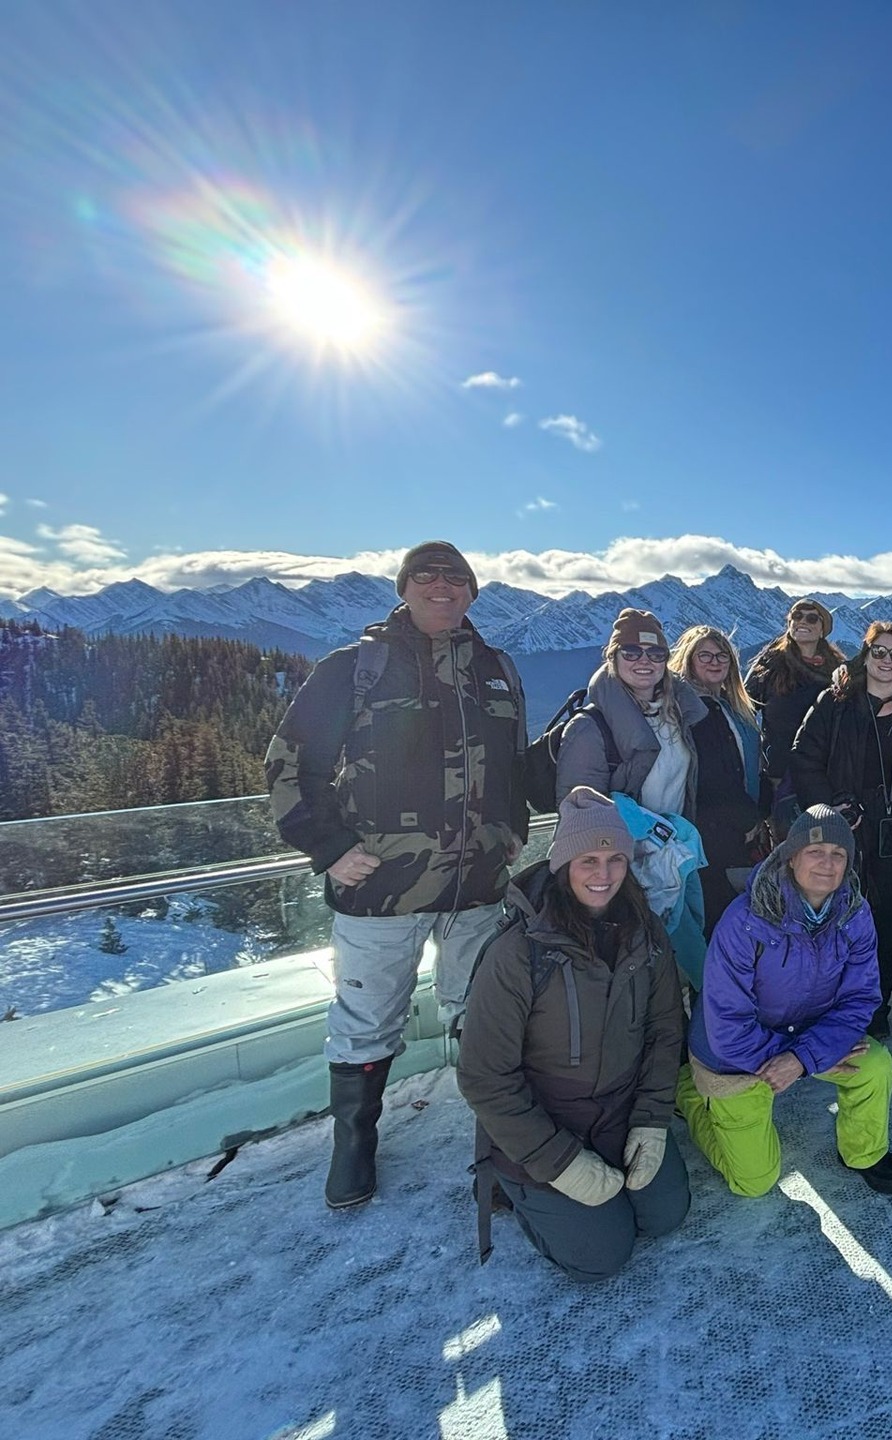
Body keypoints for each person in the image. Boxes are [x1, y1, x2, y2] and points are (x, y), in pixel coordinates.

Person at [265, 540, 528, 1209]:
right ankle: (354, 1144)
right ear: (406, 587)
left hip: (476, 885)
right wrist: (328, 848)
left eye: (456, 578)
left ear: (472, 591)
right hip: (382, 886)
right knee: (366, 1018)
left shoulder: (496, 670)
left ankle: (496, 1134)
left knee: (484, 1012)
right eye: (427, 576)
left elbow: (515, 765)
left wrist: (514, 833)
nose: (442, 587)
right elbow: (291, 763)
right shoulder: (356, 668)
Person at [457, 788, 689, 1279]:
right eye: (588, 859)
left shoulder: (645, 934)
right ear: (563, 864)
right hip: (546, 1124)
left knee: (666, 1216)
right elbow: (485, 1077)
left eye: (614, 859)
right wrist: (559, 1162)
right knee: (602, 1256)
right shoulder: (519, 953)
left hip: (621, 1113)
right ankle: (515, 1186)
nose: (603, 875)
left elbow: (666, 1029)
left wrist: (650, 1120)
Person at [680, 805, 892, 1197]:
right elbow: (728, 1025)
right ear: (790, 857)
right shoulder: (744, 921)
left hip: (806, 1039)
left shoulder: (854, 913)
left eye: (839, 854)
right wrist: (795, 1058)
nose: (827, 863)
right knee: (754, 1182)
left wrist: (802, 1059)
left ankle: (864, 1152)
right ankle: (689, 1093)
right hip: (734, 1054)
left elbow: (860, 998)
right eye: (815, 852)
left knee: (875, 1067)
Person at [790, 621, 892, 1038]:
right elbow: (803, 757)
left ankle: (874, 1010)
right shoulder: (836, 703)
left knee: (888, 926)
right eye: (878, 652)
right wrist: (833, 807)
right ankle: (825, 1006)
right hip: (848, 835)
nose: (887, 661)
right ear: (865, 657)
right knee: (835, 920)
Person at [557, 609, 710, 819]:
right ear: (613, 658)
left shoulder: (679, 716)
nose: (644, 661)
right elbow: (581, 815)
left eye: (656, 654)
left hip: (676, 847)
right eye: (631, 652)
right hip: (623, 850)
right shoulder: (588, 727)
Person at [669, 625, 765, 938]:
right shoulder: (690, 709)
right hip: (711, 832)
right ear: (689, 661)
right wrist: (748, 818)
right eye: (705, 655)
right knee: (720, 918)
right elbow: (712, 775)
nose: (715, 662)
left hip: (732, 829)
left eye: (722, 655)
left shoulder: (728, 705)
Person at [744, 598, 845, 828]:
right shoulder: (770, 664)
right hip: (778, 776)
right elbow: (744, 708)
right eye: (796, 616)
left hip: (822, 774)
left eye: (811, 618)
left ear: (822, 630)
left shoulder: (837, 670)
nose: (802, 622)